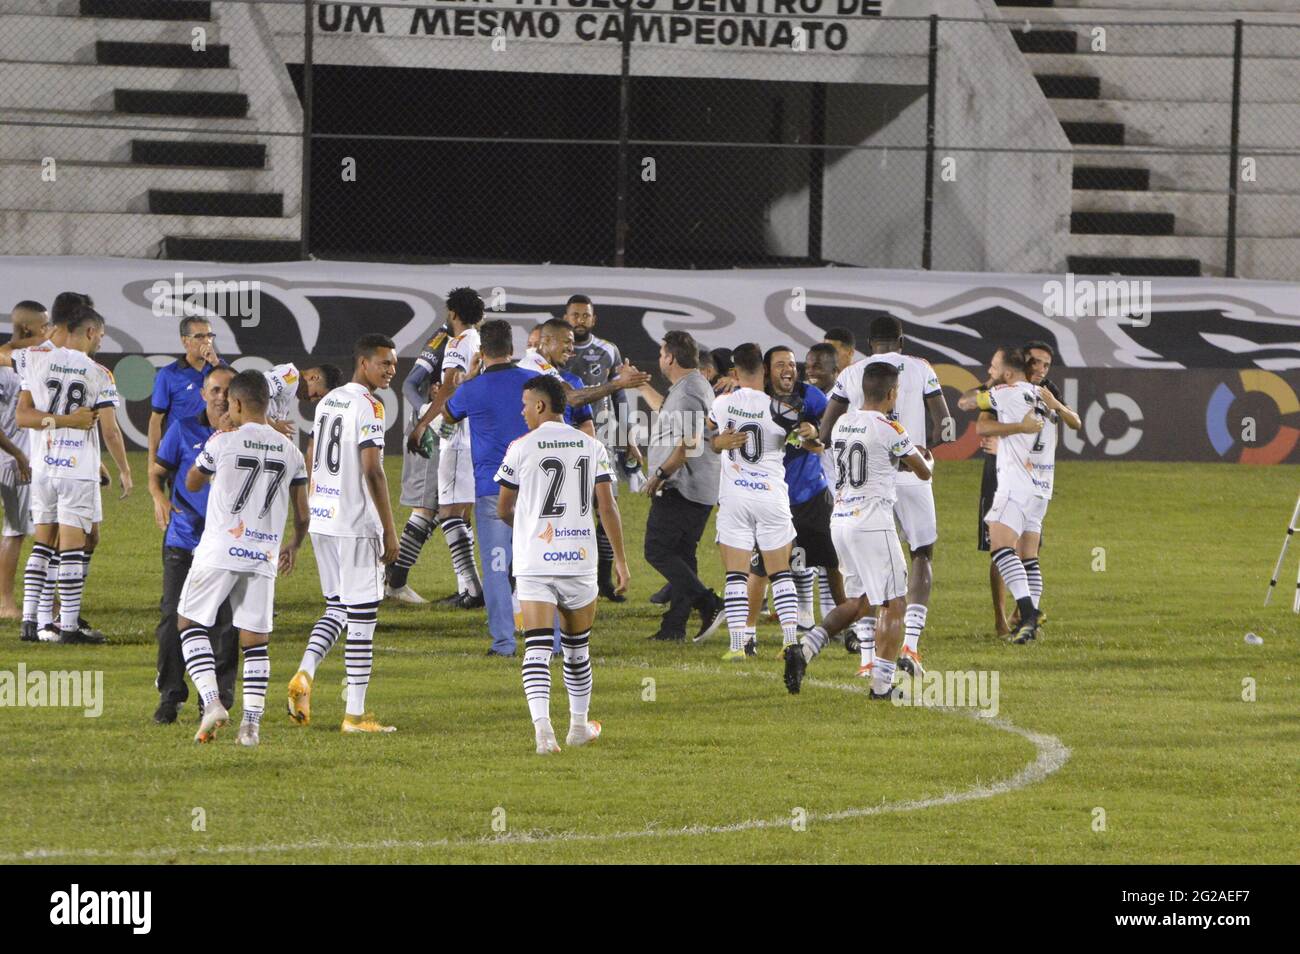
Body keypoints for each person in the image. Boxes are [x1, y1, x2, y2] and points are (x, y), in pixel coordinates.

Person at [496, 374, 629, 754]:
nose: (522, 412)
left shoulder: (520, 448)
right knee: (576, 649)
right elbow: (608, 506)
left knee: (537, 648)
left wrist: (528, 528)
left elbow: (503, 508)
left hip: (534, 560)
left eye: (525, 405)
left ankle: (543, 733)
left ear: (540, 405)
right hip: (580, 560)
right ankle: (577, 727)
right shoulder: (590, 445)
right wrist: (620, 561)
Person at [784, 361, 932, 699]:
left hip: (842, 519)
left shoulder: (842, 424)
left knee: (861, 601)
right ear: (893, 393)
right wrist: (926, 459)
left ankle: (805, 648)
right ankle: (881, 684)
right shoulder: (890, 427)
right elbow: (923, 472)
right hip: (873, 522)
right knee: (894, 602)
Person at [177, 371, 309, 746]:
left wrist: (217, 437)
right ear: (267, 404)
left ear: (235, 404)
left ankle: (212, 701)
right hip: (263, 553)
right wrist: (295, 545)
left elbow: (191, 482)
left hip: (219, 550)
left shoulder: (223, 441)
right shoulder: (291, 451)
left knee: (188, 622)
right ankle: (251, 726)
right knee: (255, 641)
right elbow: (303, 515)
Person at [819, 316, 951, 677]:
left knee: (862, 567)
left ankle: (866, 658)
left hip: (866, 485)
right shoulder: (921, 367)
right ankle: (910, 645)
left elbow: (825, 431)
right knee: (921, 554)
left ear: (869, 342)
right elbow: (945, 424)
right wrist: (922, 451)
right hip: (912, 477)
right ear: (901, 340)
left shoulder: (852, 373)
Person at [287, 334, 400, 732]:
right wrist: (388, 528)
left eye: (394, 364)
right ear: (363, 362)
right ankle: (354, 714)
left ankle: (305, 672)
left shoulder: (328, 401)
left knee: (336, 607)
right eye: (384, 363)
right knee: (363, 617)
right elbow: (372, 469)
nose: (391, 370)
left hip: (323, 517)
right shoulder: (370, 406)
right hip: (354, 523)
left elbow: (313, 456)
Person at [14, 306, 119, 643]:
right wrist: (72, 422)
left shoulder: (33, 358)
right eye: (101, 334)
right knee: (71, 546)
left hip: (43, 467)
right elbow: (111, 431)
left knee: (44, 542)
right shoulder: (98, 372)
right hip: (75, 468)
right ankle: (66, 625)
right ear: (88, 331)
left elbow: (26, 416)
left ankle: (33, 620)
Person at [440, 319, 538, 656]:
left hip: (492, 493)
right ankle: (552, 641)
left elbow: (448, 415)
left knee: (497, 569)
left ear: (482, 352)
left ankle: (504, 643)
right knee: (540, 565)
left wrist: (468, 376)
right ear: (513, 350)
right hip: (535, 491)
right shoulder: (534, 383)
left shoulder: (471, 389)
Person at [148, 365, 240, 724]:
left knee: (226, 620)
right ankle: (171, 694)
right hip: (184, 539)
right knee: (173, 617)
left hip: (228, 546)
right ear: (203, 394)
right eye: (214, 390)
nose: (220, 397)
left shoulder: (248, 434)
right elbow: (156, 475)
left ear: (237, 397)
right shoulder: (183, 429)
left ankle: (217, 696)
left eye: (227, 391)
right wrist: (159, 498)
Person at [707, 342, 810, 660]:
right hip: (771, 497)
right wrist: (808, 432)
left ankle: (738, 646)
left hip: (735, 497)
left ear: (734, 372)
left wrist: (719, 442)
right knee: (781, 573)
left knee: (736, 575)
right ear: (764, 371)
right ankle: (790, 642)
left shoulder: (722, 403)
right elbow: (806, 439)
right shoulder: (782, 409)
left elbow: (711, 440)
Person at [974, 347, 1074, 645]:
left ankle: (1024, 617)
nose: (1042, 368)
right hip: (1002, 473)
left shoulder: (1046, 391)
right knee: (1003, 545)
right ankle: (1001, 619)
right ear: (1023, 363)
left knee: (1021, 550)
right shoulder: (1002, 388)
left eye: (1047, 364)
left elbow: (1054, 430)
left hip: (1031, 480)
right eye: (1036, 362)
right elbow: (983, 424)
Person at [406, 287, 486, 608]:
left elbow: (450, 385)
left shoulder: (457, 342)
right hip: (476, 433)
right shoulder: (478, 341)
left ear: (452, 313)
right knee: (461, 512)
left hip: (457, 433)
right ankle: (468, 587)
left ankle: (472, 590)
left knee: (450, 513)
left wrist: (425, 421)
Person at [641, 331, 722, 641]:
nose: (661, 359)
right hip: (696, 486)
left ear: (670, 358)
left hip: (683, 486)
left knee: (657, 550)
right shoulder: (690, 386)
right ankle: (673, 627)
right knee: (682, 554)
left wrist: (660, 474)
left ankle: (709, 603)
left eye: (662, 354)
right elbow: (668, 413)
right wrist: (639, 384)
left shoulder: (688, 391)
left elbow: (688, 443)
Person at [388, 321, 451, 603]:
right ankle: (395, 581)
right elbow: (410, 383)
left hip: (453, 429)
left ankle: (392, 572)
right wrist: (425, 412)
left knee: (447, 507)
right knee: (426, 508)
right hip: (430, 430)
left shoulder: (469, 340)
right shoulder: (441, 341)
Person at [0, 302, 43, 621]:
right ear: (28, 328)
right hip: (13, 459)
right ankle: (5, 603)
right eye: (44, 326)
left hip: (17, 457)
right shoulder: (6, 366)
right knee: (15, 531)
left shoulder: (22, 359)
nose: (48, 331)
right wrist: (19, 455)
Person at [148, 315, 226, 467]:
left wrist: (216, 363)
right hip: (182, 453)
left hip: (217, 449)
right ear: (185, 341)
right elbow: (156, 420)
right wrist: (152, 462)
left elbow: (239, 394)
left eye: (209, 335)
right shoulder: (168, 374)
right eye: (199, 336)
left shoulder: (220, 369)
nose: (207, 341)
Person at [263, 361, 343, 441]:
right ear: (314, 378)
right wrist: (274, 425)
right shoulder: (290, 375)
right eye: (316, 395)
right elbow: (252, 393)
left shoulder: (291, 386)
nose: (312, 400)